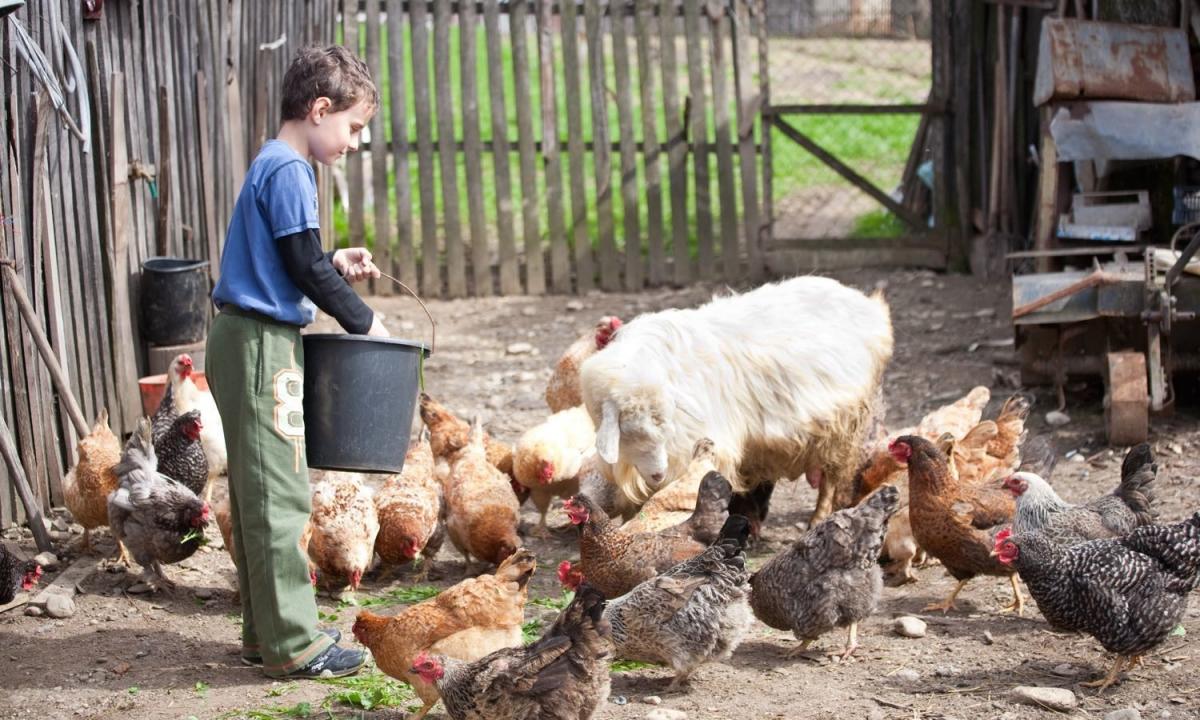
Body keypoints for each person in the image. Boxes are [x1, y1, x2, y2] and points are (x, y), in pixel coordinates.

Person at [206, 45, 388, 679]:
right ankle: (297, 645)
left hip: (252, 336)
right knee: (280, 496)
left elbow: (293, 260)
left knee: (261, 493)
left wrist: (330, 263)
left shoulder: (274, 162)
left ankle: (266, 634)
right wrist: (364, 319)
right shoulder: (290, 170)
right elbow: (301, 265)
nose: (355, 142)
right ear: (319, 109)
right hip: (259, 343)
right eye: (354, 126)